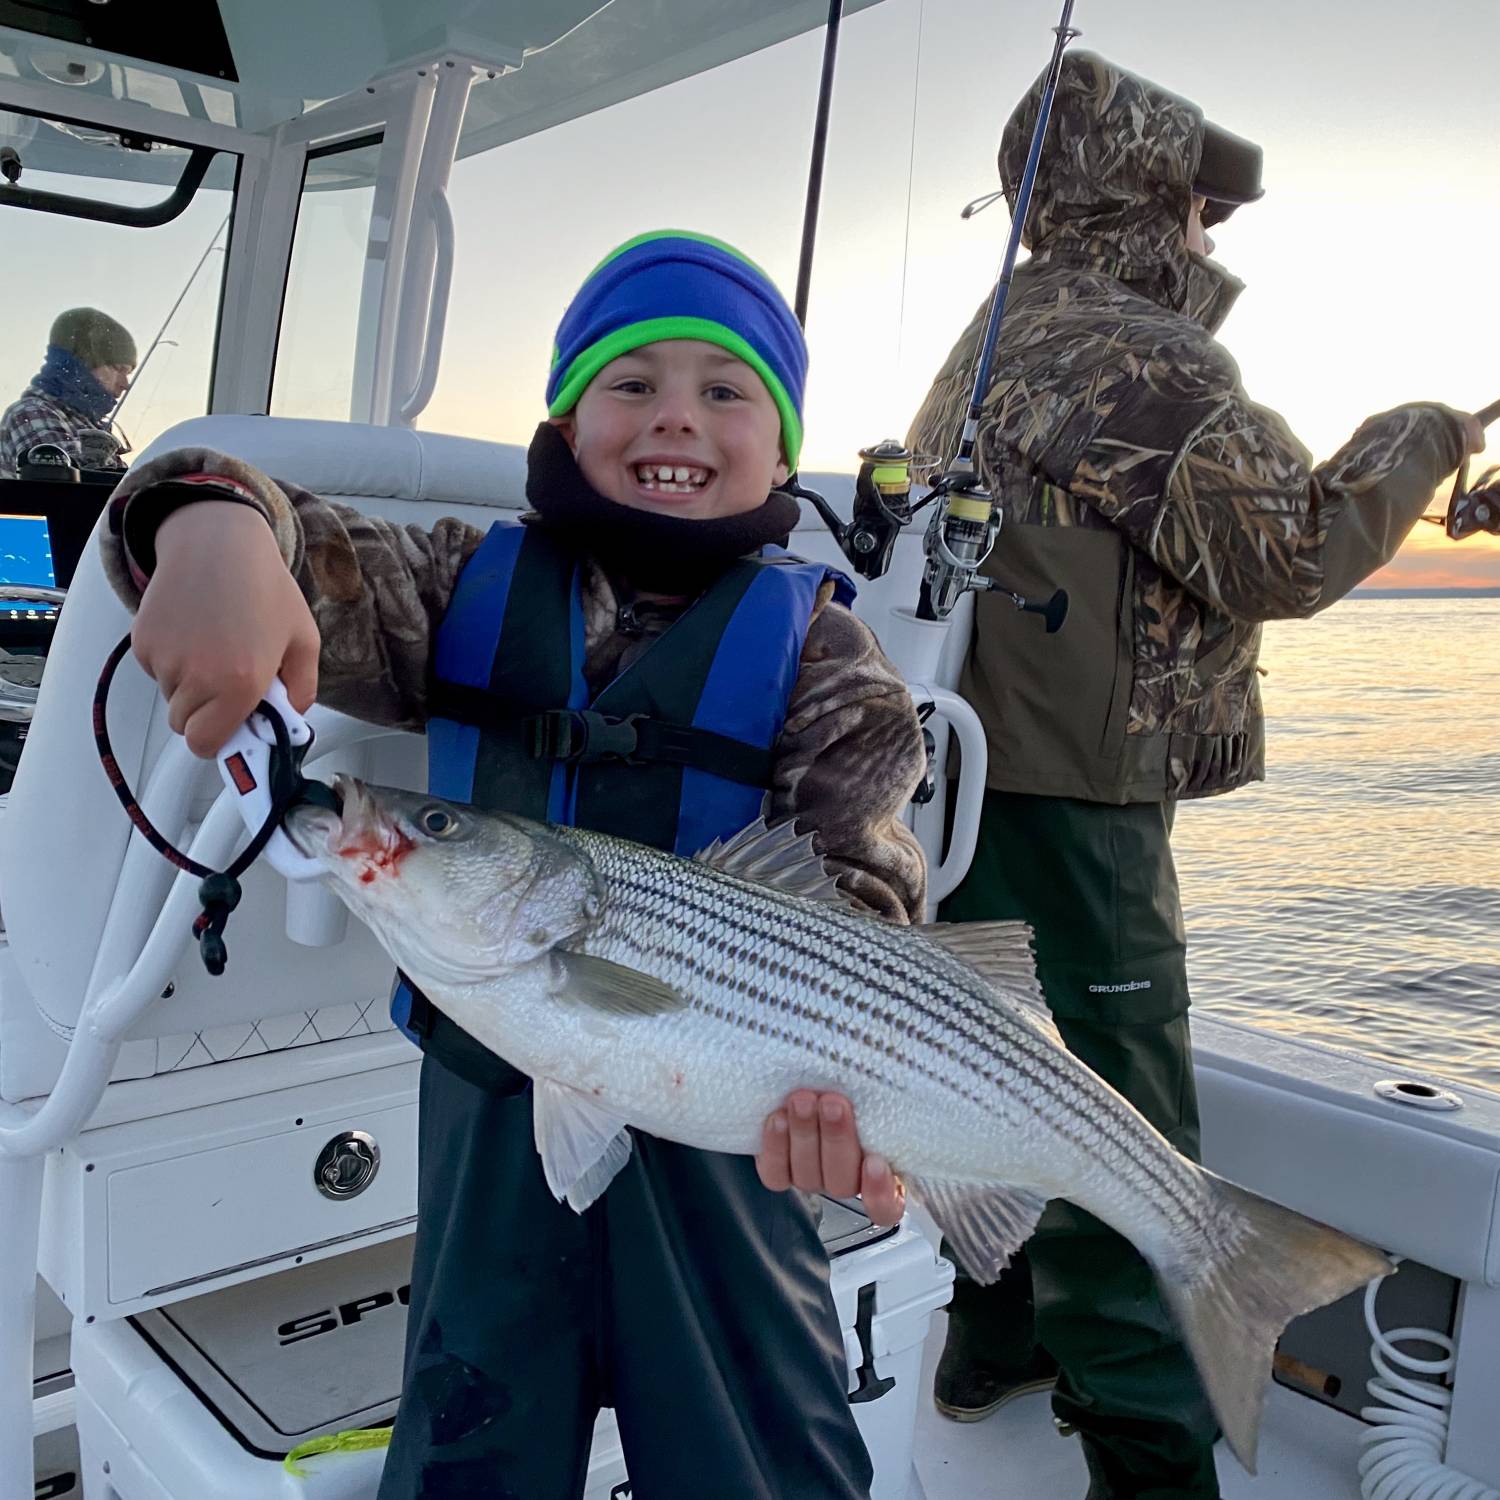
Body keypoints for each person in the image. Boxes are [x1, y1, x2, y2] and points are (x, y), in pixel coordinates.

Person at [102, 230, 927, 1499]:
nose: (678, 420)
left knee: (759, 1461)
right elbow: (273, 529)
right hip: (494, 1109)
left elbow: (864, 916)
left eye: (726, 393)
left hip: (737, 1144)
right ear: (567, 413)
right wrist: (206, 523)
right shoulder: (457, 583)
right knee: (469, 1451)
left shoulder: (833, 670)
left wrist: (864, 1112)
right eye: (631, 383)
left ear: (782, 443)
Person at [906, 52, 1486, 1500]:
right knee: (1124, 1143)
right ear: (1150, 198)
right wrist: (1422, 433)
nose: (1212, 239)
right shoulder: (1139, 353)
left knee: (991, 1083)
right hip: (1076, 813)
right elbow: (1285, 546)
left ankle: (993, 1339)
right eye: (1201, 209)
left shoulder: (1000, 331)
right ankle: (1155, 1467)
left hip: (966, 798)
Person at [0, 307, 135, 476]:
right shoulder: (31, 412)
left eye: (128, 373)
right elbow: (74, 491)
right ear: (82, 363)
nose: (125, 384)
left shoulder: (87, 424)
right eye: (118, 369)